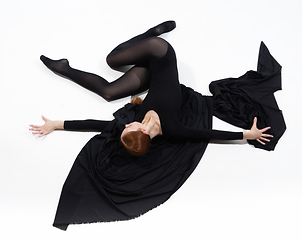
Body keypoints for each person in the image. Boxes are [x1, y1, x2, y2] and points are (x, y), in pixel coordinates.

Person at [29, 20, 272, 156]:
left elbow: (95, 125)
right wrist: (247, 135)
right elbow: (210, 135)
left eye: (124, 129)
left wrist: (56, 124)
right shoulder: (174, 129)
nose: (126, 125)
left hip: (150, 74)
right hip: (161, 53)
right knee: (112, 60)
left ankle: (64, 68)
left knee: (108, 92)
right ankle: (151, 34)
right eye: (129, 128)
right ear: (143, 132)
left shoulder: (134, 123)